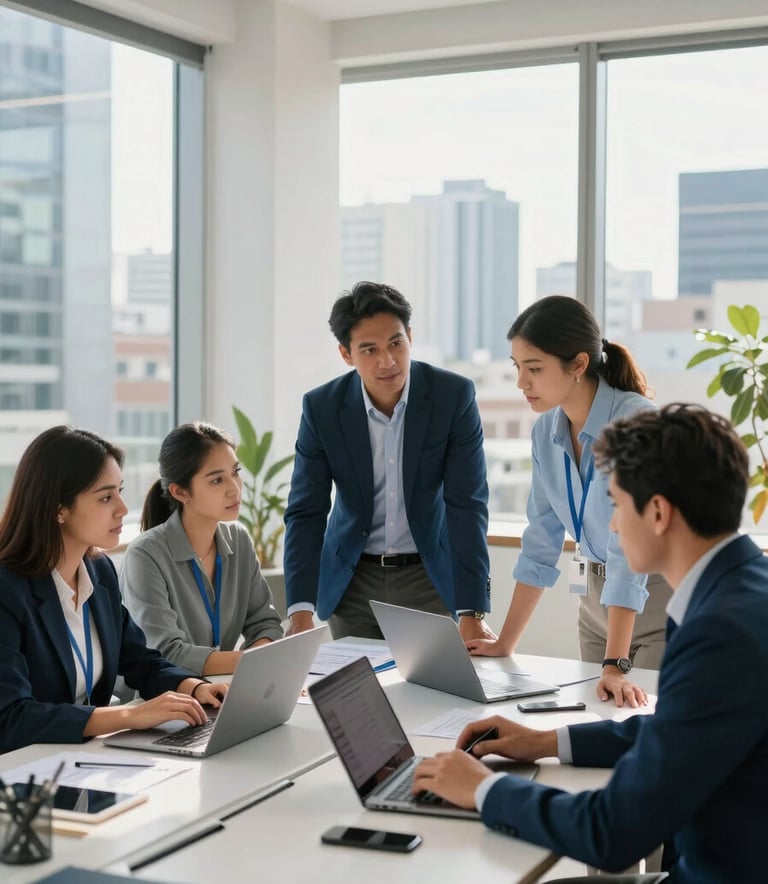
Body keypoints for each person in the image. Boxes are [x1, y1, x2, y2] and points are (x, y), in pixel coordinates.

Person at [413, 403, 768, 883]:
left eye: (617, 505)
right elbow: (679, 730)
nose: (614, 526)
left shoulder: (721, 631)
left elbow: (613, 831)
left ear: (659, 512)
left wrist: (484, 790)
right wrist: (547, 741)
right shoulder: (740, 588)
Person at [468, 295, 671, 707]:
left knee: (643, 727)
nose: (522, 383)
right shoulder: (546, 432)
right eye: (518, 368)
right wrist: (506, 643)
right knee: (595, 723)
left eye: (535, 369)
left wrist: (615, 661)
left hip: (651, 603)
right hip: (594, 606)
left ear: (578, 364)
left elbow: (628, 555)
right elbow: (540, 540)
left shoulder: (637, 421)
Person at [283, 280, 494, 641]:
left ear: (410, 336)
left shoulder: (452, 396)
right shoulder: (322, 408)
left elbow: (467, 505)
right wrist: (300, 609)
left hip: (427, 577)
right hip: (352, 579)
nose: (388, 361)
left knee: (436, 693)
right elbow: (306, 511)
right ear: (346, 354)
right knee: (353, 695)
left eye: (396, 342)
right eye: (369, 349)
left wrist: (471, 610)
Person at [0, 426, 229, 754]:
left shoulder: (99, 571)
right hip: (25, 772)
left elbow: (138, 658)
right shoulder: (8, 589)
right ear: (58, 509)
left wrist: (192, 687)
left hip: (85, 759)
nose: (122, 508)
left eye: (119, 492)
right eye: (106, 497)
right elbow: (11, 718)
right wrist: (128, 715)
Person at [121, 422, 283, 676]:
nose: (235, 488)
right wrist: (252, 662)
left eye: (235, 472)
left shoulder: (238, 539)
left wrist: (255, 661)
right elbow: (166, 652)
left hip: (220, 686)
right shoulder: (146, 555)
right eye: (217, 480)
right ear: (180, 492)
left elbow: (265, 623)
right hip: (161, 698)